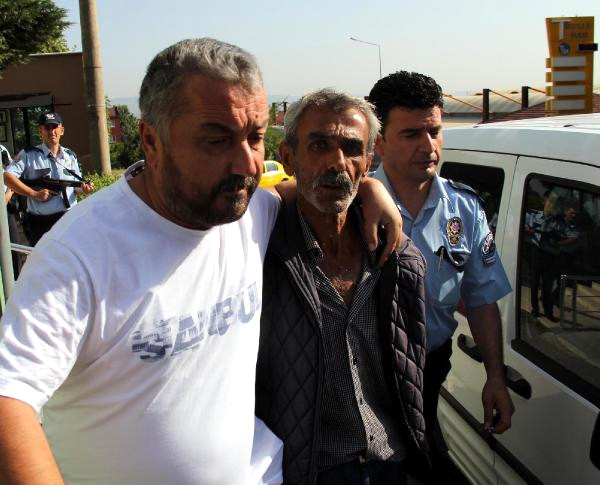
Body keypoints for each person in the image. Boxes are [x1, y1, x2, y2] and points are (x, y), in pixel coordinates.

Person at [0, 39, 402, 484]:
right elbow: (8, 399)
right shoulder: (81, 253)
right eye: (216, 140)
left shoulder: (248, 212)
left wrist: (369, 189)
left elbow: (301, 190)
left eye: (255, 138)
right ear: (151, 140)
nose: (247, 164)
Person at [256, 89, 429, 485]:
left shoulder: (397, 260)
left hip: (390, 461)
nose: (336, 162)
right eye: (319, 145)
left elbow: (412, 367)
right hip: (307, 470)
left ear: (368, 162)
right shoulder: (262, 253)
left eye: (352, 149)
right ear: (288, 158)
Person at [368, 71, 514, 481]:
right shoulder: (352, 207)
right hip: (366, 372)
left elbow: (481, 299)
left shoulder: (464, 209)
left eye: (434, 131)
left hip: (431, 368)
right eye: (411, 134)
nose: (428, 146)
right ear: (379, 141)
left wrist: (495, 377)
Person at [3, 112, 94, 246]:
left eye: (55, 127)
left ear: (61, 130)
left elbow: (75, 188)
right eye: (47, 128)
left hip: (69, 219)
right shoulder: (29, 155)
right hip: (41, 223)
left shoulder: (70, 156)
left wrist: (84, 190)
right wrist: (34, 194)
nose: (52, 131)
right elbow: (7, 177)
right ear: (41, 131)